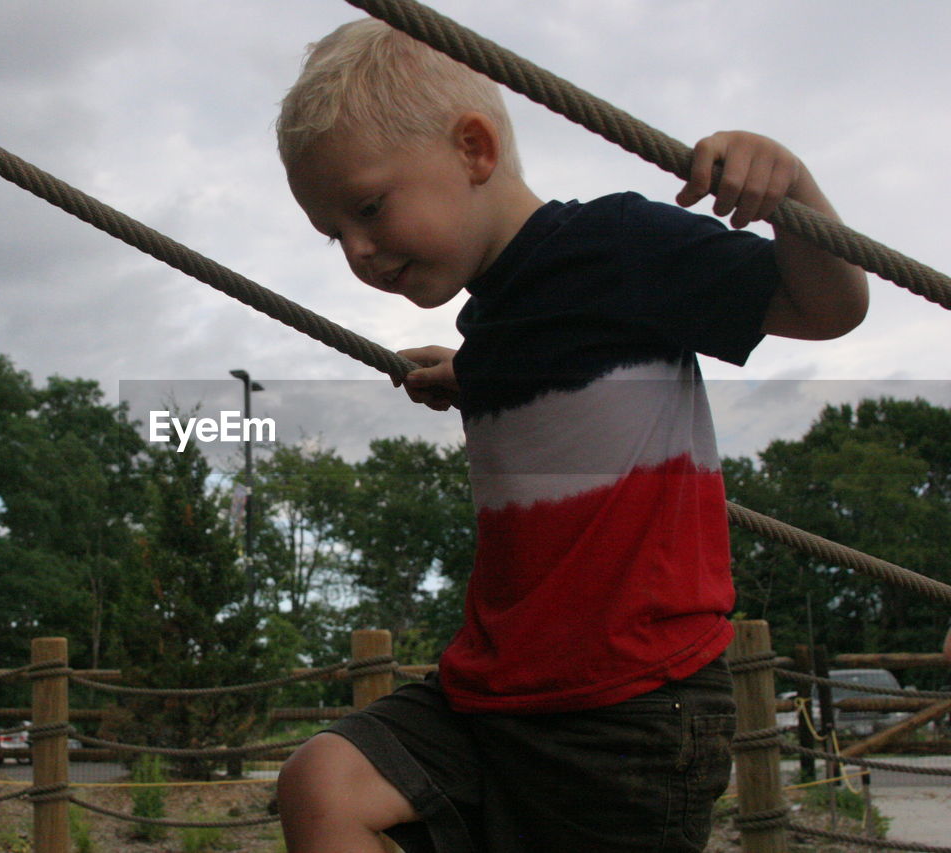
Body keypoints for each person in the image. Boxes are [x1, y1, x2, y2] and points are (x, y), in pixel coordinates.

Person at [273, 18, 868, 853]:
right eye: (335, 233)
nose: (358, 252)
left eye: (369, 208)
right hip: (492, 691)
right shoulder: (495, 321)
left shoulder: (621, 247)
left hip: (628, 705)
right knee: (323, 781)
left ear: (474, 149)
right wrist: (472, 373)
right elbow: (562, 359)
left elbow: (830, 309)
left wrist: (793, 189)